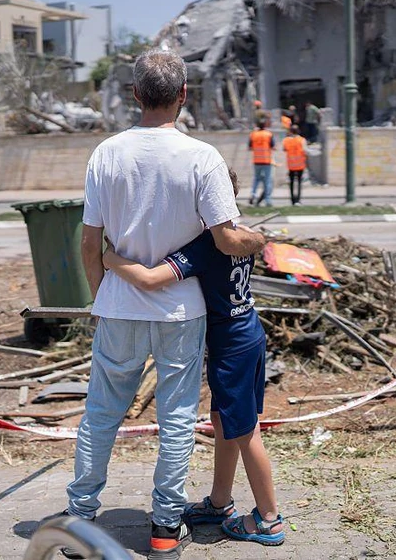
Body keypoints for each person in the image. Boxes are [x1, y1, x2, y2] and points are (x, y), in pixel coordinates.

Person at [64, 48, 266, 560]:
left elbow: (89, 243)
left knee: (101, 414)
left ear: (135, 95)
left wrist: (101, 296)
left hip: (120, 307)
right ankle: (164, 528)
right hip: (181, 312)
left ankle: (80, 520)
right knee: (176, 420)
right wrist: (260, 240)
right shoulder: (203, 158)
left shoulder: (106, 154)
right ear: (183, 95)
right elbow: (227, 238)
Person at [101, 168, 284, 548]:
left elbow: (151, 280)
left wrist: (111, 258)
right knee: (224, 421)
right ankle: (219, 502)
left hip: (231, 346)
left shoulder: (205, 244)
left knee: (245, 430)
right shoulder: (239, 234)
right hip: (248, 331)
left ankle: (269, 518)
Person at [248, 120, 275, 207]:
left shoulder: (253, 134)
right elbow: (273, 146)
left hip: (256, 160)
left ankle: (253, 194)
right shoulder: (268, 134)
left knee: (256, 179)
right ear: (265, 125)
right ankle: (268, 200)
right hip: (266, 160)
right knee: (267, 180)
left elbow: (250, 147)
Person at [282, 125, 307, 206]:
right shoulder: (302, 140)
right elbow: (305, 150)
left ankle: (292, 200)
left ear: (290, 131)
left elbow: (284, 149)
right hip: (300, 164)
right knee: (299, 182)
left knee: (292, 183)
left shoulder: (286, 140)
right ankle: (298, 200)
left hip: (291, 165)